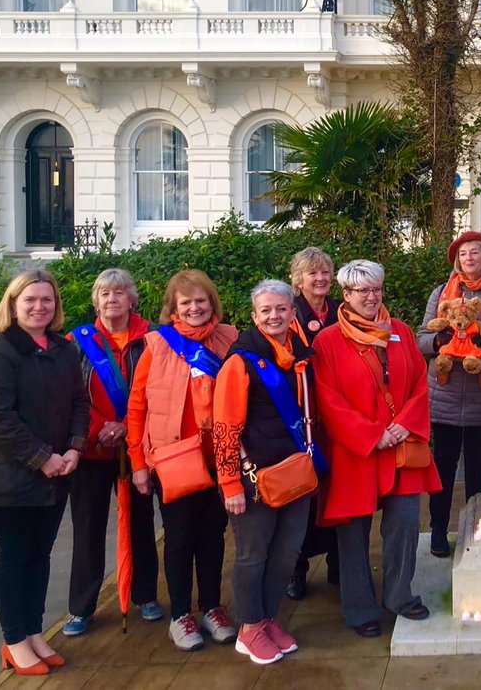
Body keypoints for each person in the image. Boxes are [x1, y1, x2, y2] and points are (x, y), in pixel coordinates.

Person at [313, 260, 443, 638]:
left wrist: (405, 423)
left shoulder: (400, 331)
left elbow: (421, 381)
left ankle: (400, 596)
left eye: (376, 289)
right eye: (362, 291)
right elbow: (328, 399)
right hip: (356, 452)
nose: (371, 297)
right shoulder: (328, 341)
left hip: (401, 447)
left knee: (404, 525)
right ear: (347, 296)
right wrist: (371, 435)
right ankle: (360, 609)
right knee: (352, 534)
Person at [0, 269, 88, 675]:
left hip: (55, 475)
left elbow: (79, 401)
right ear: (13, 304)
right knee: (14, 558)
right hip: (7, 479)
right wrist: (44, 458)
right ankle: (14, 640)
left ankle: (35, 632)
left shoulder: (63, 349)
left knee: (39, 557)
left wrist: (75, 447)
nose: (40, 307)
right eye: (31, 300)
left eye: (47, 300)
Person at [126, 269, 238, 652]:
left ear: (212, 303)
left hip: (218, 458)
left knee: (213, 534)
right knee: (178, 537)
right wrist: (138, 462)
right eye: (185, 302)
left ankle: (211, 607)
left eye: (200, 300)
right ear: (173, 307)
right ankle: (180, 615)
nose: (193, 307)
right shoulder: (155, 345)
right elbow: (137, 406)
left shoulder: (231, 338)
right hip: (172, 458)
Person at [214, 280, 321, 665]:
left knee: (287, 552)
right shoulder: (241, 361)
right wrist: (230, 485)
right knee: (252, 555)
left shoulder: (301, 356)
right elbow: (224, 428)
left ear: (293, 312)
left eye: (281, 309)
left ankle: (268, 618)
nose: (274, 316)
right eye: (266, 311)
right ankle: (249, 627)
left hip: (296, 473)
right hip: (253, 479)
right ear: (255, 315)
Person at [63, 269, 162, 637]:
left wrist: (128, 429)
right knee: (88, 529)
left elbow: (160, 391)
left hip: (136, 449)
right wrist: (98, 429)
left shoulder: (153, 337)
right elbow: (69, 396)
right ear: (95, 300)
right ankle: (82, 607)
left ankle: (145, 595)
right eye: (104, 294)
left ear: (132, 298)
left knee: (140, 525)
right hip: (93, 450)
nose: (112, 300)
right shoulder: (76, 341)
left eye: (120, 293)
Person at [418, 231, 481, 559]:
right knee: (443, 464)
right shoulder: (442, 292)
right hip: (447, 391)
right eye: (463, 254)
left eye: (475, 252)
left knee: (479, 466)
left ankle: (477, 528)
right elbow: (422, 336)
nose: (469, 258)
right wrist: (440, 344)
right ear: (458, 259)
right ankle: (439, 529)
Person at [285, 246, 340, 600]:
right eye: (311, 273)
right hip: (301, 416)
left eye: (324, 272)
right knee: (302, 495)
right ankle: (296, 570)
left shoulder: (341, 311)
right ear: (298, 279)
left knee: (338, 492)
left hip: (337, 415)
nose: (319, 278)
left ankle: (339, 562)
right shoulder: (286, 313)